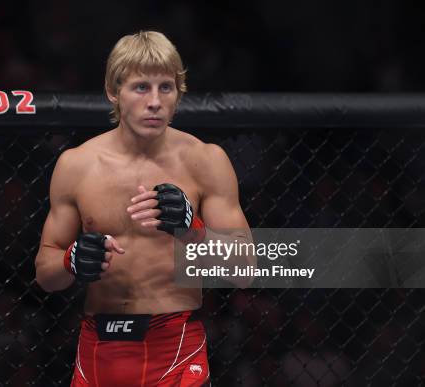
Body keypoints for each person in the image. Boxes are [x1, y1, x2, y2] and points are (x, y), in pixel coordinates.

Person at [35, 31, 254, 387]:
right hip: (98, 348)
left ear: (178, 94)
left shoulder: (206, 161)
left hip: (175, 346)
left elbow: (243, 269)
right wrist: (70, 261)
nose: (154, 102)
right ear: (113, 92)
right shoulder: (76, 165)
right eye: (140, 88)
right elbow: (46, 275)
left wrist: (191, 227)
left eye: (166, 88)